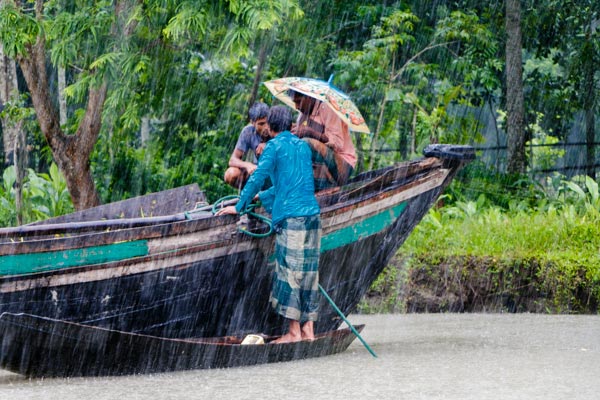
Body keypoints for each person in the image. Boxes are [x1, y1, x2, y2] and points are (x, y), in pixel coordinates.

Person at [216, 105, 321, 343]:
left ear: (272, 128)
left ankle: (293, 333)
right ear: (290, 125)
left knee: (289, 273)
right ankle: (309, 331)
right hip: (313, 217)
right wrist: (258, 198)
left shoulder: (273, 146)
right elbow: (292, 184)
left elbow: (257, 178)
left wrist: (240, 205)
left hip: (291, 218)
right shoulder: (303, 147)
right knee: (309, 272)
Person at [290, 90, 357, 190]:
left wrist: (311, 132)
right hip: (320, 167)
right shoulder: (302, 116)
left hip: (342, 166)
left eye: (299, 102)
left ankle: (329, 183)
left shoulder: (328, 108)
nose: (297, 107)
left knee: (306, 142)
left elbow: (337, 143)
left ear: (309, 97)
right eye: (294, 102)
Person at [224, 102, 270, 189]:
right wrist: (248, 165)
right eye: (261, 124)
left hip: (277, 171)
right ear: (252, 122)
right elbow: (232, 160)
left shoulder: (276, 125)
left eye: (267, 122)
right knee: (230, 174)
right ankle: (249, 193)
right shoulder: (248, 132)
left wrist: (269, 146)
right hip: (257, 169)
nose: (266, 127)